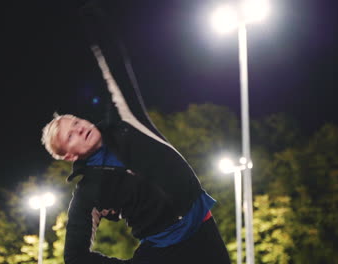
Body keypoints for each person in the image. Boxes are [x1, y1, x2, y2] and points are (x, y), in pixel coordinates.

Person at [41, 1, 231, 263]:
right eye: (69, 135)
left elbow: (115, 65)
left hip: (203, 231)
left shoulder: (126, 121)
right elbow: (74, 257)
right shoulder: (89, 191)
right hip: (162, 251)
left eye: (75, 122)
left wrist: (91, 17)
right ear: (69, 156)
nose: (78, 128)